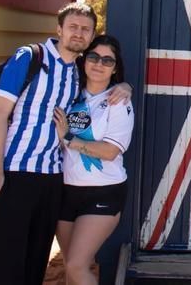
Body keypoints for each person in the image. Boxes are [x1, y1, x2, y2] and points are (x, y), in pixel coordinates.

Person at [0, 2, 129, 284]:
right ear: (59, 29)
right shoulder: (29, 58)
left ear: (91, 36)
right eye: (73, 27)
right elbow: (0, 114)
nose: (79, 33)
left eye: (85, 29)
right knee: (8, 264)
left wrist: (126, 87)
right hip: (16, 173)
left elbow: (107, 83)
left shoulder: (79, 70)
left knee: (35, 263)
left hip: (53, 180)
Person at [53, 34, 134, 285]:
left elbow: (110, 152)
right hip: (66, 191)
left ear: (115, 67)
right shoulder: (69, 95)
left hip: (103, 193)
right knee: (71, 268)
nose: (99, 64)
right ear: (84, 60)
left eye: (107, 60)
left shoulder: (118, 101)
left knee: (77, 266)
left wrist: (69, 139)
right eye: (93, 57)